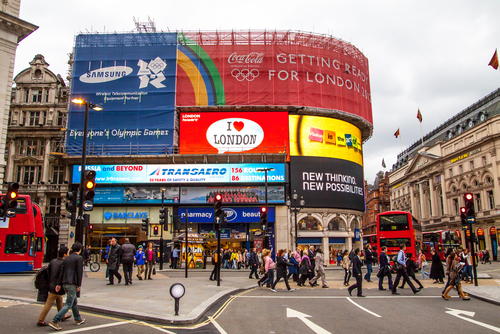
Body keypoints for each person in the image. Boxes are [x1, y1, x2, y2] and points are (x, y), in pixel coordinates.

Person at [48, 242, 85, 330]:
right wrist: (79, 285)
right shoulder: (79, 258)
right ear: (80, 250)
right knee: (68, 303)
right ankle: (55, 320)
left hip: (65, 283)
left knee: (73, 301)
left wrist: (59, 283)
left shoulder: (66, 258)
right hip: (72, 283)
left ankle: (78, 319)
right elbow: (79, 272)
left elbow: (62, 271)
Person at [37, 246, 72, 326]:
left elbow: (48, 272)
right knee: (49, 303)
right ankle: (41, 320)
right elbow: (62, 274)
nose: (68, 253)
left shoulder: (53, 261)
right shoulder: (64, 262)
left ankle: (63, 316)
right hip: (57, 286)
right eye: (67, 252)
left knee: (59, 299)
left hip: (51, 284)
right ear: (64, 254)